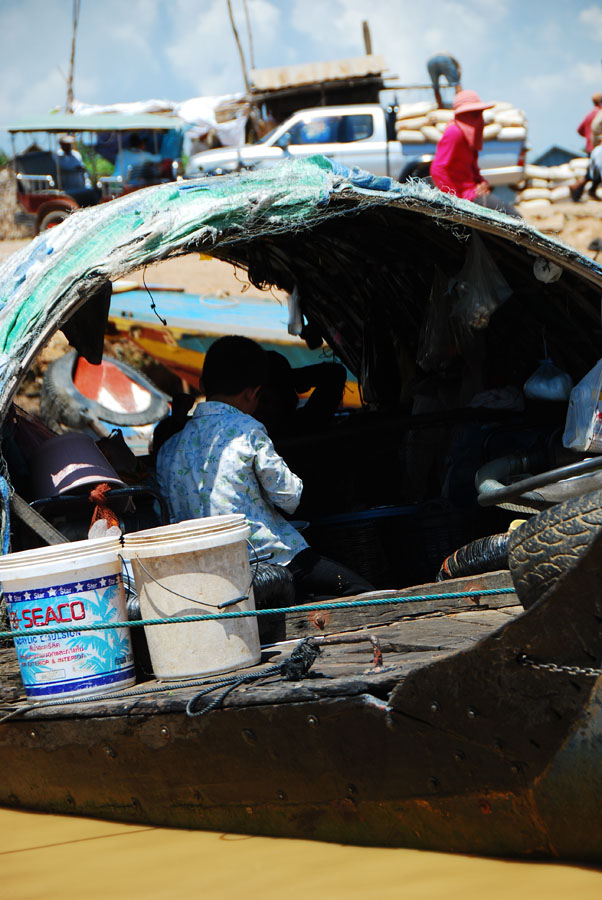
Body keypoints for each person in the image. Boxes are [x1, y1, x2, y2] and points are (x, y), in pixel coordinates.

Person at [156, 335, 374, 601]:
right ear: (253, 393)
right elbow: (290, 497)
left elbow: (164, 515)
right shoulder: (249, 431)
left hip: (202, 570)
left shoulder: (169, 448)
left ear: (202, 385)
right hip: (267, 557)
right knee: (363, 592)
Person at [430, 89, 519, 216]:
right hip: (466, 197)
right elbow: (437, 169)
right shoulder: (455, 133)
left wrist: (482, 183)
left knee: (512, 214)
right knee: (512, 215)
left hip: (473, 193)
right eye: (474, 114)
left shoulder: (469, 137)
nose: (479, 120)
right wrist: (456, 201)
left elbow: (473, 169)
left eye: (479, 114)